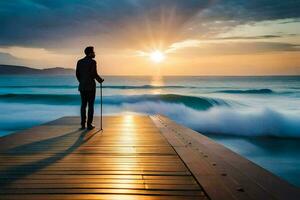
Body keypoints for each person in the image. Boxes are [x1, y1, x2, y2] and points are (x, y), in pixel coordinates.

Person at [76, 46, 104, 130]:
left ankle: (82, 124)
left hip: (82, 86)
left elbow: (77, 74)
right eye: (93, 52)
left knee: (83, 105)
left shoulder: (79, 62)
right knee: (90, 105)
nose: (95, 53)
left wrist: (81, 81)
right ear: (90, 53)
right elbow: (94, 74)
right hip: (90, 87)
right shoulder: (93, 62)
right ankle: (89, 124)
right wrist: (100, 80)